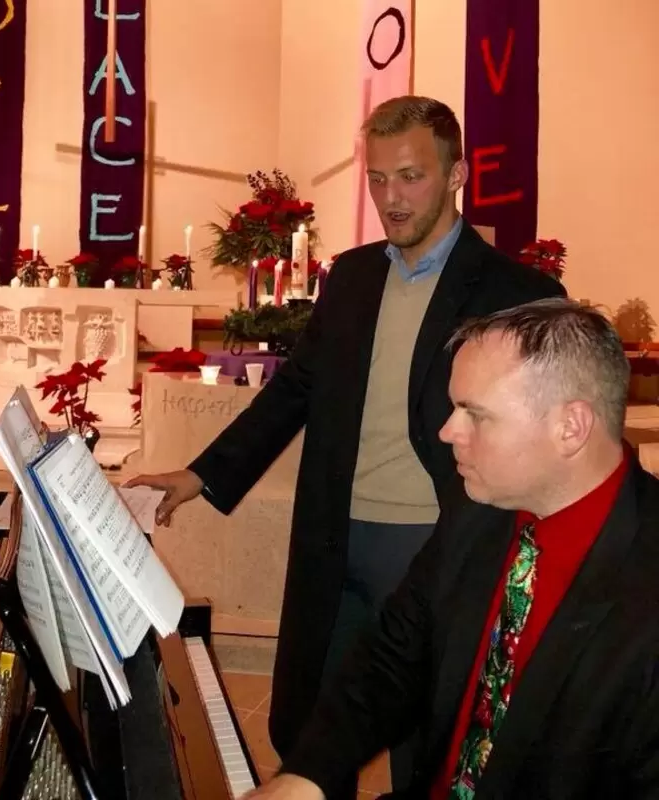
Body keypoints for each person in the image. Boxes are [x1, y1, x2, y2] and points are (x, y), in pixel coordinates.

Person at [127, 96, 565, 792]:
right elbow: (295, 390)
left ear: (459, 173)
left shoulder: (519, 293)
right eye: (379, 179)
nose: (392, 198)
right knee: (313, 731)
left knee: (426, 741)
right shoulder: (355, 277)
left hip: (438, 544)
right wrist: (199, 476)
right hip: (336, 538)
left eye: (412, 177)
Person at [244, 298, 659, 800]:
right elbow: (393, 657)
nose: (447, 432)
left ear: (571, 427)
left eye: (474, 414)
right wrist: (306, 776)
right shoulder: (477, 511)